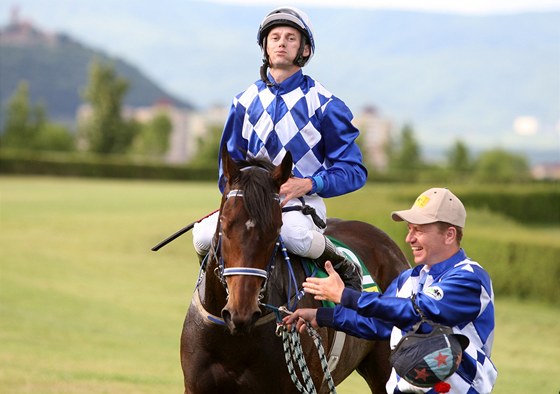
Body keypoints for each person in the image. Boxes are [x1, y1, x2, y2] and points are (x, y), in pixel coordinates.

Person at [192, 6, 368, 290]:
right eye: (275, 38)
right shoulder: (243, 102)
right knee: (201, 236)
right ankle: (212, 291)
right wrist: (236, 198)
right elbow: (228, 169)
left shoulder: (325, 105)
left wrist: (310, 183)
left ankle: (344, 265)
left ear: (305, 50)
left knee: (294, 236)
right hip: (250, 203)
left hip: (300, 204)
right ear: (265, 46)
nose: (282, 43)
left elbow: (354, 171)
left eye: (290, 38)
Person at [283, 188, 498, 393]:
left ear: (449, 235)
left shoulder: (469, 278)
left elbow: (417, 310)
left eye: (419, 230)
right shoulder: (409, 279)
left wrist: (345, 295)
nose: (409, 238)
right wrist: (322, 316)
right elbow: (379, 324)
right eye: (409, 229)